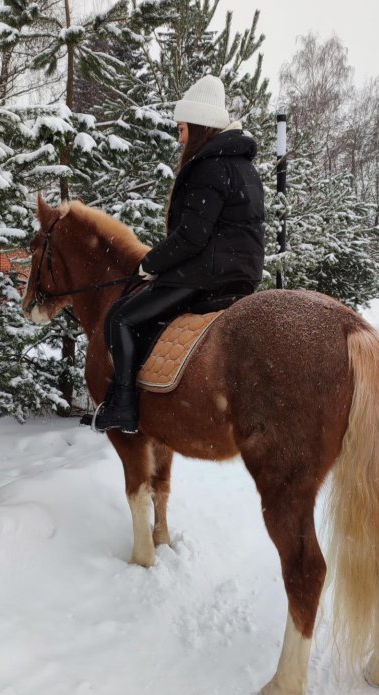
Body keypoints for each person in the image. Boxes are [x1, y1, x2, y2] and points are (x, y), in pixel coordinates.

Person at [93, 74, 265, 433]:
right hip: (242, 273)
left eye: (182, 128)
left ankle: (123, 405)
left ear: (200, 126)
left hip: (206, 274)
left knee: (121, 317)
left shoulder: (210, 165)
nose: (179, 136)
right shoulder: (243, 166)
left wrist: (149, 263)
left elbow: (192, 236)